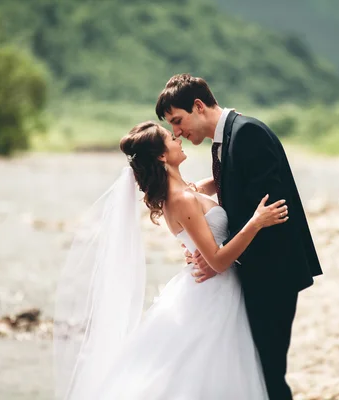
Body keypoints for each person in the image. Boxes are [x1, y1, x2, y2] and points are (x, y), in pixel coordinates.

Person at [54, 121, 289, 399]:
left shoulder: (186, 191)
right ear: (162, 156)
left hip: (213, 289)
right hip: (213, 294)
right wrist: (256, 222)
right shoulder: (181, 199)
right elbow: (217, 262)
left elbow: (226, 182)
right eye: (169, 137)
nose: (177, 137)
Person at [155, 73, 323, 399]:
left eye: (177, 121)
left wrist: (216, 255)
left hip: (272, 273)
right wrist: (203, 195)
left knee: (267, 370)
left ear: (199, 106)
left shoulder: (247, 134)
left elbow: (268, 208)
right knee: (256, 370)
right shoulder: (229, 136)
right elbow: (238, 184)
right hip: (256, 272)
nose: (176, 132)